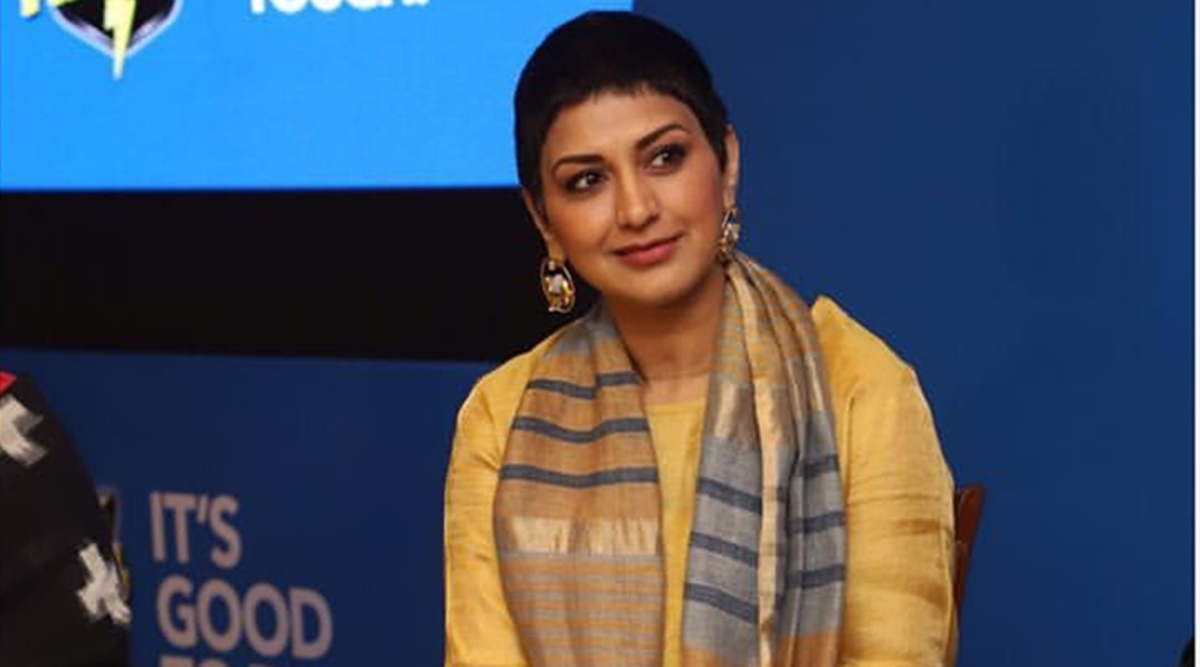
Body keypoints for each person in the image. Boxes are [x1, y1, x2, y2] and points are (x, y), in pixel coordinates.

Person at [444, 11, 956, 667]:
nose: (636, 209)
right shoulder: (502, 415)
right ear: (543, 218)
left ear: (727, 161)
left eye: (665, 157)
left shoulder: (857, 386)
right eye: (587, 180)